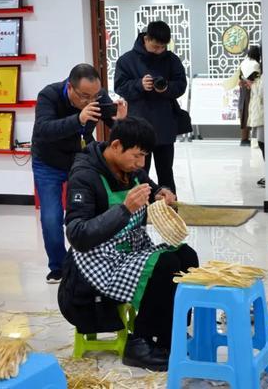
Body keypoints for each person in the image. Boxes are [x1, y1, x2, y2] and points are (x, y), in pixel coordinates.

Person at [58, 116, 199, 371]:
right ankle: (141, 342)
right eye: (137, 156)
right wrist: (124, 209)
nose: (141, 163)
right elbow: (77, 235)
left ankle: (172, 333)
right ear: (116, 146)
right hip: (98, 259)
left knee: (187, 257)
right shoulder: (85, 175)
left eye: (145, 156)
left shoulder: (134, 170)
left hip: (132, 249)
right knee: (164, 265)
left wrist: (162, 195)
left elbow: (154, 190)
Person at [31, 63, 127, 284]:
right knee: (51, 217)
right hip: (48, 162)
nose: (91, 101)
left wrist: (119, 121)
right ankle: (58, 267)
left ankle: (92, 262)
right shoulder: (49, 95)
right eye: (84, 96)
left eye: (95, 95)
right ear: (70, 87)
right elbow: (43, 130)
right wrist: (79, 119)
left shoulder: (96, 96)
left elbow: (113, 126)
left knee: (91, 211)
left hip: (80, 160)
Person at [114, 20, 187, 193]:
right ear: (146, 39)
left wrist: (167, 87)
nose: (159, 51)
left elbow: (181, 85)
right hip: (138, 128)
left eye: (163, 47)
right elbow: (119, 86)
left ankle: (170, 214)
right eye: (155, 46)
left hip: (164, 126)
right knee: (137, 173)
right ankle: (138, 213)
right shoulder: (127, 60)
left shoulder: (171, 60)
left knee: (166, 174)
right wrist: (139, 85)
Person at [243, 46, 265, 188]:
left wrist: (252, 84)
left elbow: (263, 93)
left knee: (265, 145)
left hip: (264, 115)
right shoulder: (259, 70)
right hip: (259, 113)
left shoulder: (263, 72)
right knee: (263, 145)